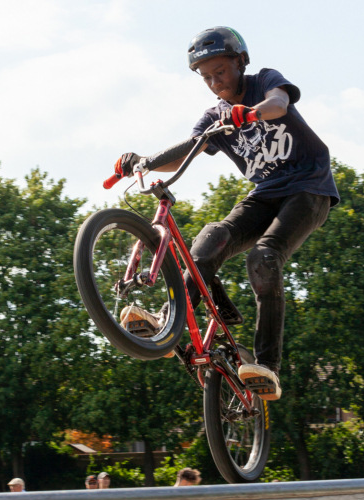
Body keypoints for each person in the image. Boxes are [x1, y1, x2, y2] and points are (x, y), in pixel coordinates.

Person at [114, 26, 339, 401]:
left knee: (264, 258)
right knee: (212, 237)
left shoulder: (263, 81)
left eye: (220, 71)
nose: (215, 82)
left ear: (240, 62)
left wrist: (249, 114)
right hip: (265, 193)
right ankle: (168, 323)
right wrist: (145, 161)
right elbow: (187, 150)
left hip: (309, 189)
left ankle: (267, 366)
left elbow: (279, 104)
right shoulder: (214, 117)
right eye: (206, 77)